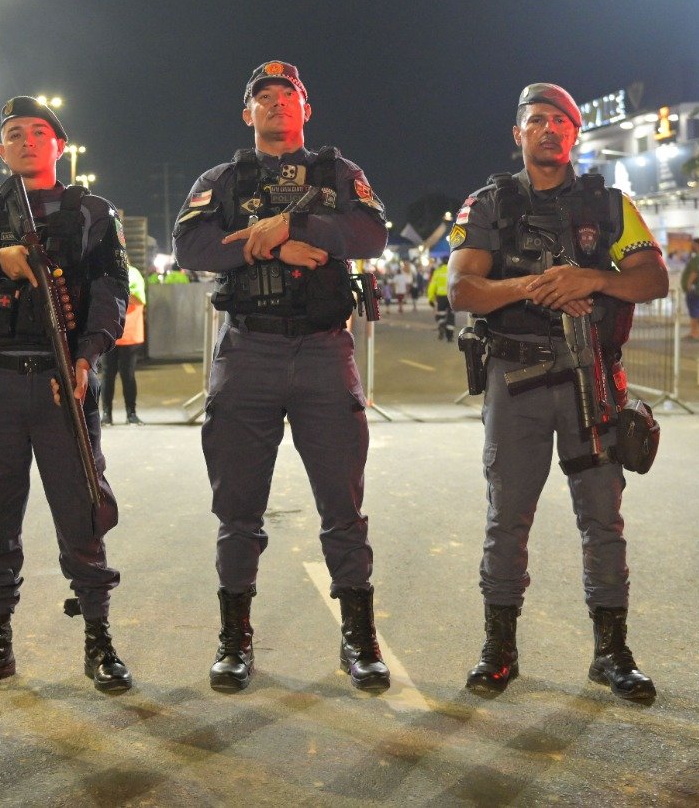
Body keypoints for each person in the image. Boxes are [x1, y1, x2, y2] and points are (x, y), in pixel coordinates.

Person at [174, 59, 390, 693]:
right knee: (238, 508)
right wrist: (266, 242)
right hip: (249, 352)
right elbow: (189, 247)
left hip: (324, 352)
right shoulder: (222, 180)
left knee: (343, 507)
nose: (276, 103)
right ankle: (234, 640)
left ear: (306, 108)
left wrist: (295, 224)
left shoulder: (338, 174)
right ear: (248, 113)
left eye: (287, 95)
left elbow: (371, 233)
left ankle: (359, 639)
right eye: (263, 97)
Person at [447, 83, 668, 702]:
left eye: (561, 121)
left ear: (575, 133)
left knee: (603, 518)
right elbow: (462, 289)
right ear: (517, 133)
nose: (549, 129)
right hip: (514, 378)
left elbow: (653, 278)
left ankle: (612, 653)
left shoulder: (610, 204)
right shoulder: (487, 204)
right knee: (507, 519)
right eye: (537, 120)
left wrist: (591, 279)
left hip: (589, 376)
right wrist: (538, 286)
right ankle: (499, 650)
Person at [0, 96, 132, 694]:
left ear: (58, 146)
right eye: (14, 133)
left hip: (61, 379)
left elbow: (111, 291)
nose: (26, 141)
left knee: (82, 508)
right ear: (1, 149)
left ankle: (99, 640)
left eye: (38, 132)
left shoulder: (90, 212)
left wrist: (88, 355)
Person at [101, 261, 147, 425]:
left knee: (128, 375)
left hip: (129, 334)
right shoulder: (105, 275)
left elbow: (139, 300)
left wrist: (119, 291)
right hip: (109, 334)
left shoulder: (133, 274)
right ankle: (106, 414)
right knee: (107, 375)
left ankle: (131, 413)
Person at [682, 238, 699, 340]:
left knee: (694, 311)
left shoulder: (698, 257)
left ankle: (694, 333)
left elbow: (695, 271)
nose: (691, 246)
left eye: (692, 244)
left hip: (696, 289)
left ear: (697, 245)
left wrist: (689, 284)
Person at [426, 260, 454, 342]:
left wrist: (431, 298)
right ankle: (450, 337)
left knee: (441, 314)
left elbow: (432, 286)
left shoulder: (437, 272)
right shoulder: (453, 271)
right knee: (451, 316)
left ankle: (441, 325)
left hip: (441, 296)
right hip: (451, 296)